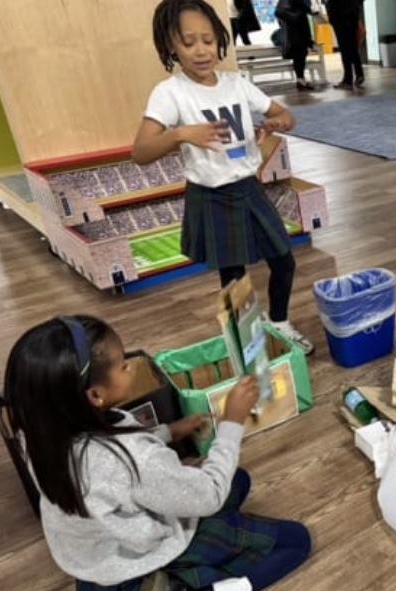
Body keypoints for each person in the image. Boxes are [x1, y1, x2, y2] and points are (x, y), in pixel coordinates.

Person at [2, 315, 313, 591]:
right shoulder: (131, 458)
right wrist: (232, 421)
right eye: (122, 365)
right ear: (95, 395)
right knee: (296, 542)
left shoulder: (37, 433)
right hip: (140, 551)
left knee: (239, 480)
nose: (131, 366)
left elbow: (111, 458)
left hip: (95, 554)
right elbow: (208, 495)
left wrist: (168, 432)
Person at [134, 0, 315, 354]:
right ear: (170, 45)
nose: (201, 50)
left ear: (220, 38)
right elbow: (141, 152)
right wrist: (181, 134)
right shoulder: (170, 93)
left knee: (284, 260)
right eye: (188, 43)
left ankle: (278, 322)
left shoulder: (237, 83)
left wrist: (278, 123)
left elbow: (287, 116)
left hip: (250, 189)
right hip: (211, 195)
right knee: (234, 281)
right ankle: (247, 345)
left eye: (207, 39)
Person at [275, 0, 317, 90]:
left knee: (301, 55)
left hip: (299, 31)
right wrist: (297, 16)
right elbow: (280, 12)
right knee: (299, 55)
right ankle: (300, 80)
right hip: (295, 32)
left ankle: (301, 80)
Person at [326, 0, 364, 89]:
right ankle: (359, 74)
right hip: (352, 15)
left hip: (340, 17)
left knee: (345, 49)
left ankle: (348, 80)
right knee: (353, 47)